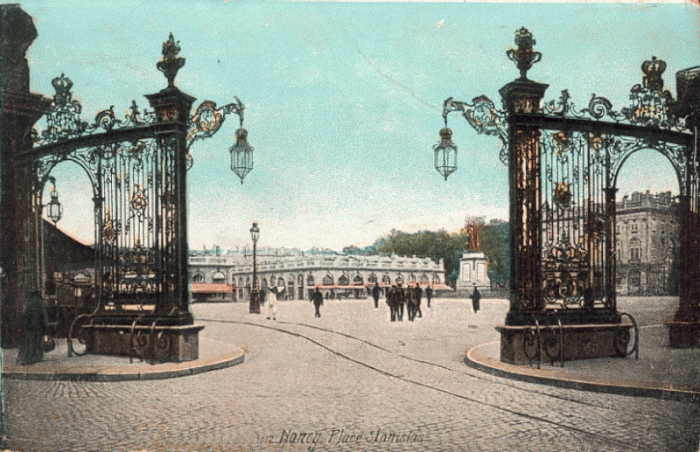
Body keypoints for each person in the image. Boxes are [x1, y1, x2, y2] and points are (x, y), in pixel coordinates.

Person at [20, 291, 50, 365]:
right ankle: (36, 357)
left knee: (30, 342)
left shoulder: (29, 303)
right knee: (37, 342)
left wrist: (25, 325)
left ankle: (28, 358)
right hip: (38, 326)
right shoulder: (41, 303)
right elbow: (44, 317)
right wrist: (46, 327)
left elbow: (25, 315)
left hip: (30, 326)